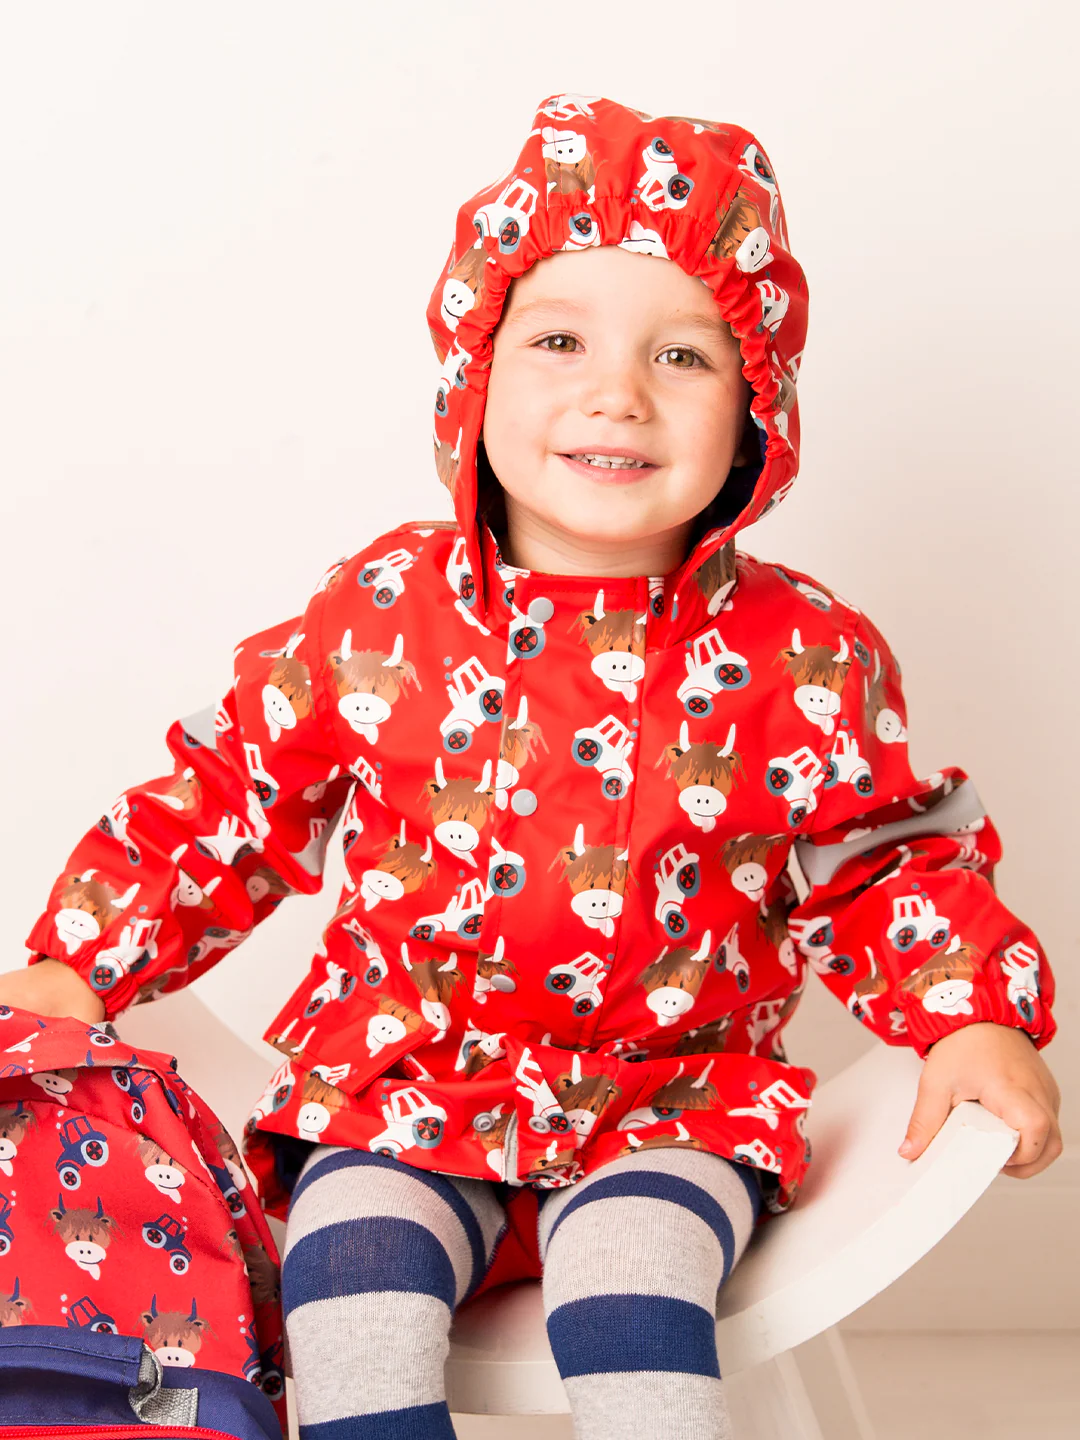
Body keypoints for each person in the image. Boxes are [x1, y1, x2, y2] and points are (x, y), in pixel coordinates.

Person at [2, 92, 1061, 1439]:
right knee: (347, 1290)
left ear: (758, 406)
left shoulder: (800, 652)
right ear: (475, 372)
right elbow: (236, 793)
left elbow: (886, 859)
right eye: (559, 340)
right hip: (404, 1085)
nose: (617, 392)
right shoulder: (383, 612)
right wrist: (82, 959)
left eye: (683, 355)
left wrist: (971, 1014)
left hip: (673, 1101)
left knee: (633, 1299)